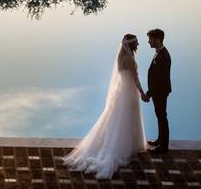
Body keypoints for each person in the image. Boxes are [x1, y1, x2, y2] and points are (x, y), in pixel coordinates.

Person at [64, 34, 147, 179]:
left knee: (118, 120)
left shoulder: (121, 58)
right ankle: (125, 147)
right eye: (137, 43)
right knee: (127, 120)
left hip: (121, 94)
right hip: (128, 94)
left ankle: (127, 144)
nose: (138, 46)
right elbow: (135, 78)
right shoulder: (129, 59)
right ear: (132, 45)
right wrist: (142, 93)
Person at [143, 28, 172, 153]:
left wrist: (149, 93)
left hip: (160, 91)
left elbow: (160, 79)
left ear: (157, 39)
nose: (149, 42)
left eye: (150, 39)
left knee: (162, 117)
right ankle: (160, 139)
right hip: (157, 92)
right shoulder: (159, 53)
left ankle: (163, 146)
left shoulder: (164, 56)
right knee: (159, 116)